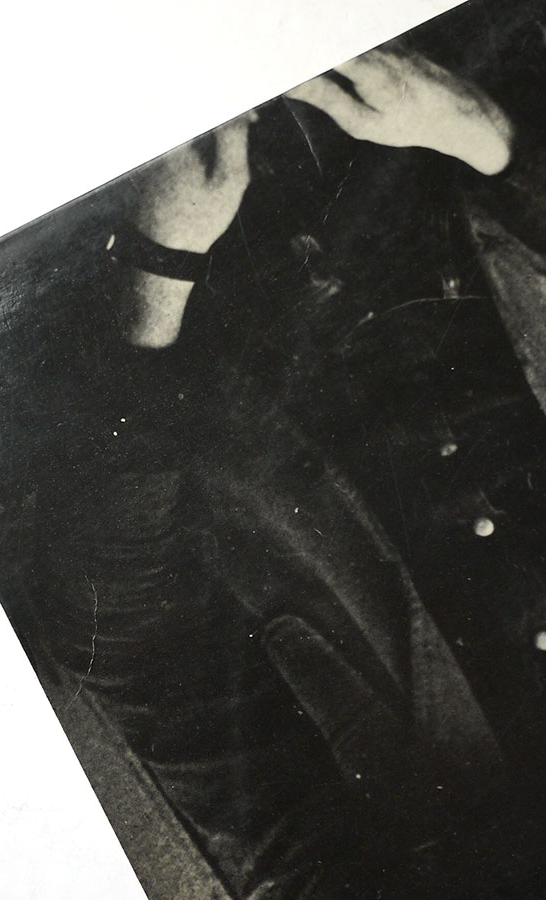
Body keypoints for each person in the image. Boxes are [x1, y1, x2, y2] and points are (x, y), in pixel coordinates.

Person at [27, 10, 546, 899]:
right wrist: (488, 136)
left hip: (186, 247)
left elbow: (121, 639)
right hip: (460, 107)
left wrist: (158, 263)